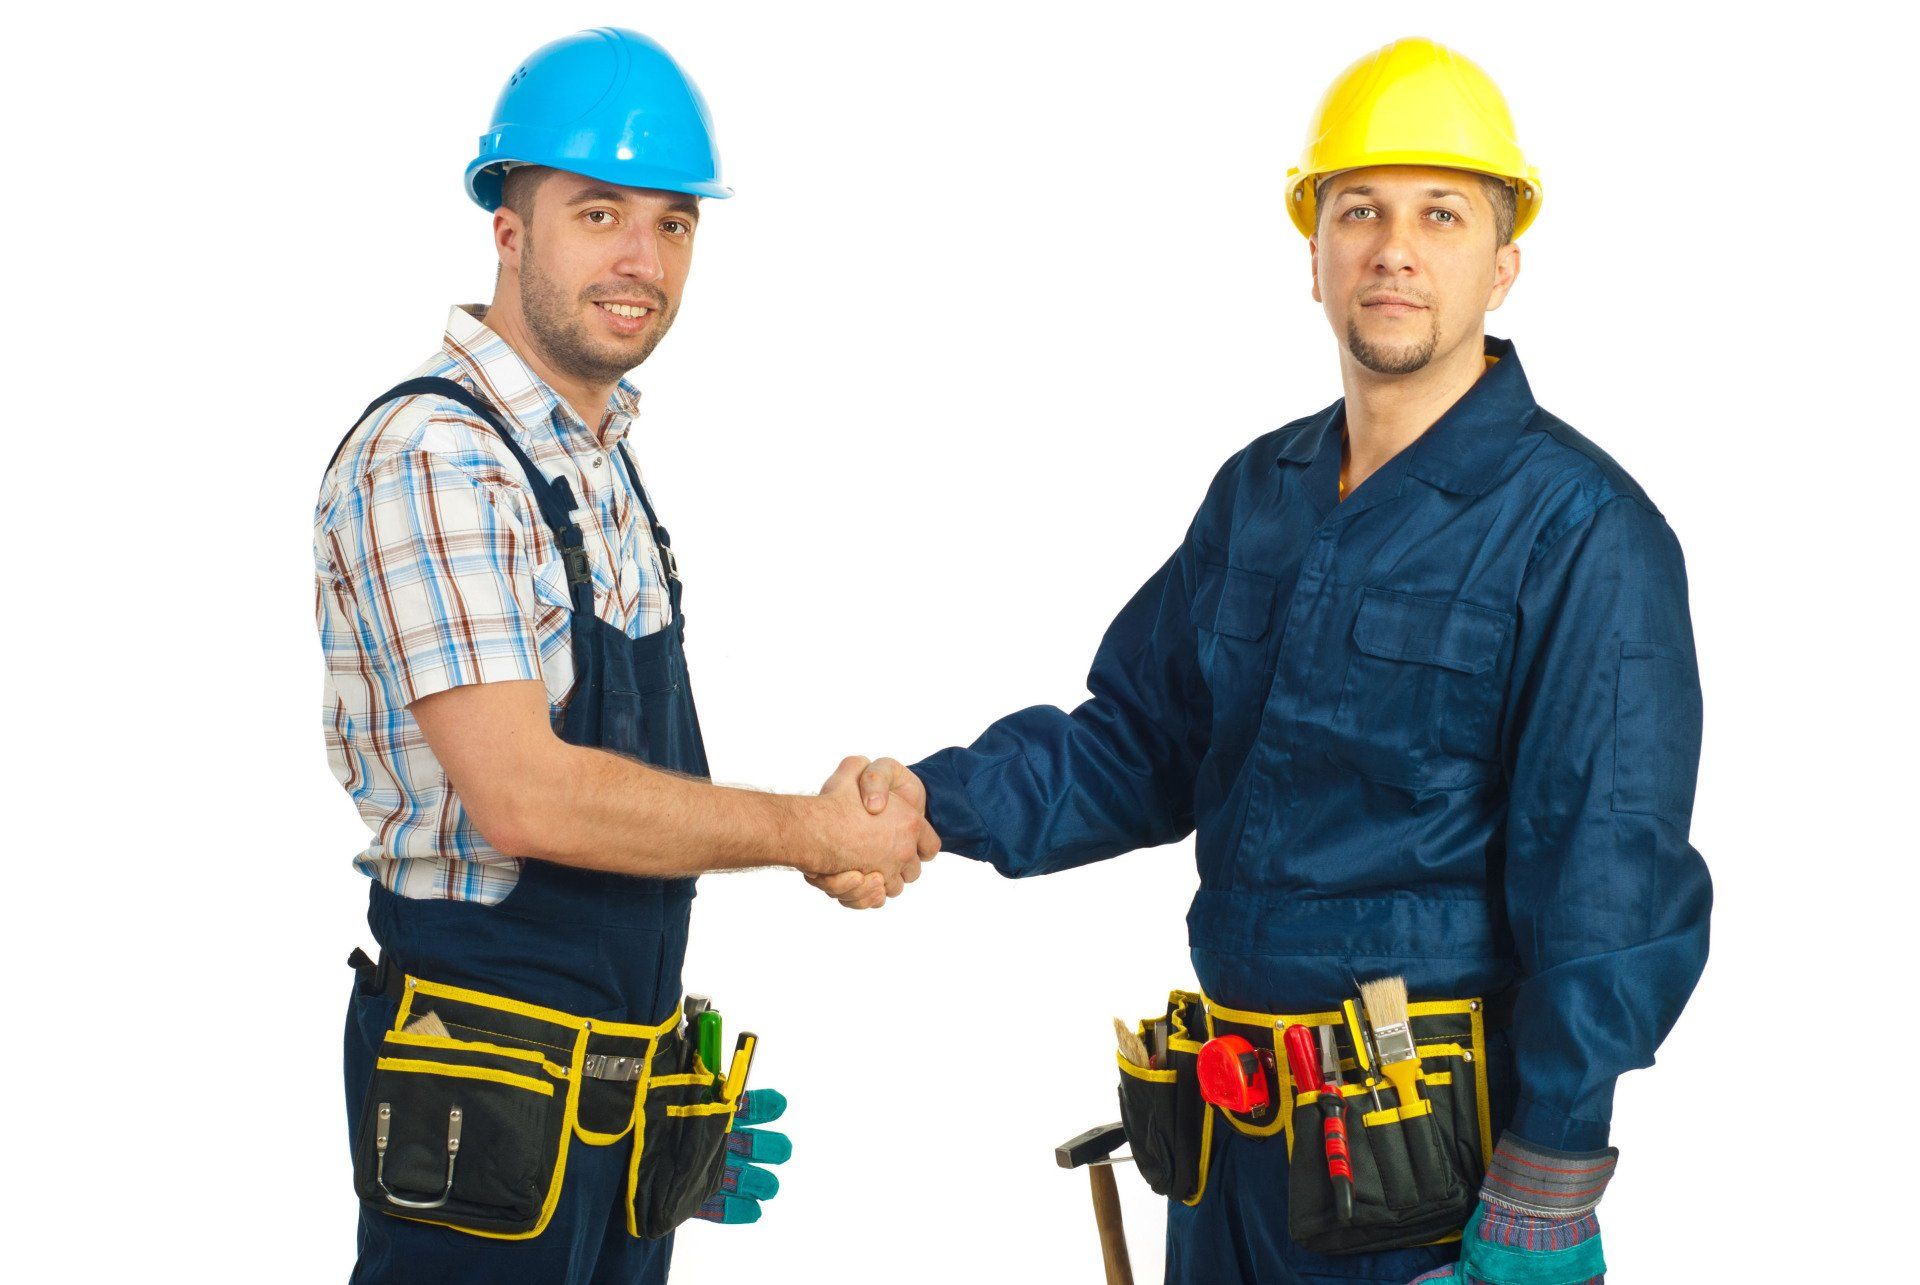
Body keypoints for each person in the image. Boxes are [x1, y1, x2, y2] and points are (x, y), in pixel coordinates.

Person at [855, 36, 1709, 1285]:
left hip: (1423, 1172)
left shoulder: (1583, 532)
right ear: (1313, 254)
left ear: (1505, 261)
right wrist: (931, 801)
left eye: (1442, 213)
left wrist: (1549, 1181)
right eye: (1358, 210)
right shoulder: (1262, 495)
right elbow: (1142, 742)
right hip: (1229, 1149)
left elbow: (1608, 873)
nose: (1394, 248)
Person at [313, 28, 936, 1284]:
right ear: (507, 225)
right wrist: (815, 834)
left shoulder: (596, 467)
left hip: (607, 1088)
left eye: (673, 223)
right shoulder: (437, 458)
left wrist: (642, 1066)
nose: (641, 260)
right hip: (477, 1093)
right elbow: (525, 795)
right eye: (599, 213)